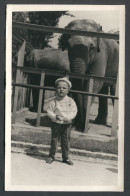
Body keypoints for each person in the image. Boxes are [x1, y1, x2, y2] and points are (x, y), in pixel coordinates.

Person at [46, 77, 77, 165]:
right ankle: (51, 156)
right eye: (59, 88)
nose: (61, 90)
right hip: (56, 123)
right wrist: (55, 116)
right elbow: (49, 111)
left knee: (66, 141)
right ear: (56, 89)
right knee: (54, 140)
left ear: (68, 90)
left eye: (64, 88)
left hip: (66, 124)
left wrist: (67, 118)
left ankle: (66, 157)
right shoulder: (54, 101)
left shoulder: (70, 101)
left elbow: (74, 111)